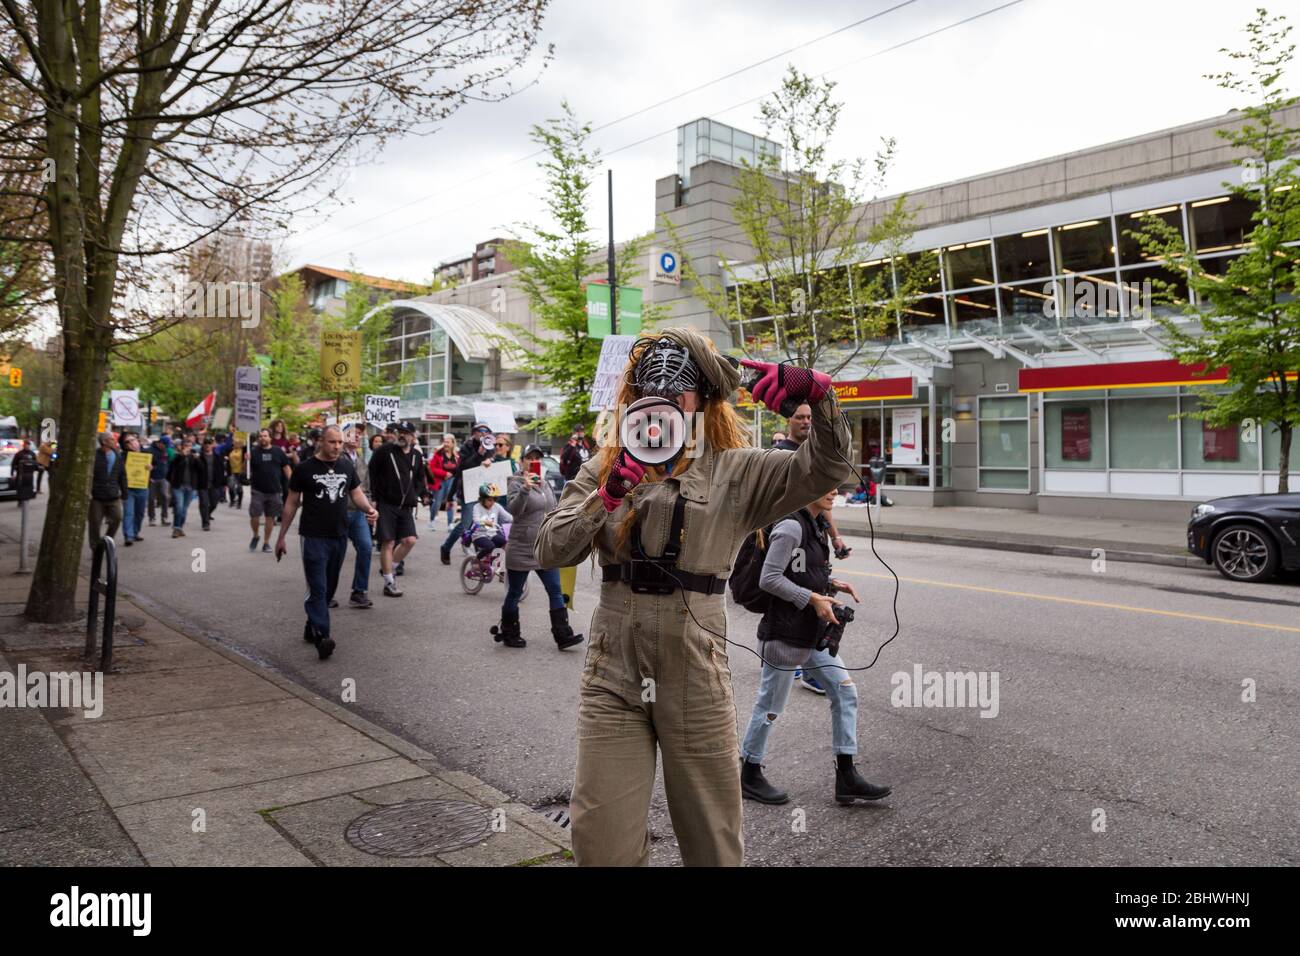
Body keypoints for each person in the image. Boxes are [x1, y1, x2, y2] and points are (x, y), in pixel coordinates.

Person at [535, 328, 851, 866]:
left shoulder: (737, 468)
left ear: (702, 399)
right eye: (645, 390)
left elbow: (826, 469)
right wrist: (609, 493)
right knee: (600, 841)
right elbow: (549, 549)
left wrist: (822, 398)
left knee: (712, 842)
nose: (659, 402)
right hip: (615, 672)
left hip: (695, 672)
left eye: (676, 390)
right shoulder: (605, 464)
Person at [738, 487, 891, 807]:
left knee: (845, 692)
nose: (834, 490)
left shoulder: (816, 524)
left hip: (812, 634)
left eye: (836, 484)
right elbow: (769, 579)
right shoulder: (792, 526)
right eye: (825, 483)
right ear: (807, 484)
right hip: (784, 636)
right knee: (770, 708)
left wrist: (831, 584)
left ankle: (847, 776)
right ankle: (749, 774)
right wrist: (812, 598)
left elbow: (801, 572)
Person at [276, 425, 378, 660]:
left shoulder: (345, 465)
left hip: (339, 535)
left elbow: (356, 493)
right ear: (321, 441)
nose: (337, 447)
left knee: (328, 588)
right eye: (332, 442)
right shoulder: (304, 469)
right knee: (318, 587)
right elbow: (292, 503)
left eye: (340, 443)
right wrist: (281, 536)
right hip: (313, 536)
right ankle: (323, 636)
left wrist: (369, 509)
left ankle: (312, 625)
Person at [773, 402, 852, 696]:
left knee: (813, 592)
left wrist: (835, 537)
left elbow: (823, 499)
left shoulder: (816, 454)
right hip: (789, 532)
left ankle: (807, 666)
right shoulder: (780, 455)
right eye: (800, 417)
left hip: (813, 535)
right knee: (792, 593)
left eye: (809, 417)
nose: (806, 422)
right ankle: (791, 658)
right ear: (789, 420)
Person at [491, 445, 583, 651]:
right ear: (522, 461)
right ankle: (509, 632)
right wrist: (525, 488)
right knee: (514, 592)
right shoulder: (515, 482)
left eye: (537, 458)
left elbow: (552, 508)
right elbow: (514, 510)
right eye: (529, 458)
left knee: (555, 590)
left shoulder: (544, 482)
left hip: (544, 547)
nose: (534, 461)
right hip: (521, 547)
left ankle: (563, 635)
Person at [368, 420, 428, 597]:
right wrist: (374, 498)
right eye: (399, 431)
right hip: (387, 503)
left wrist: (419, 494)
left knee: (410, 540)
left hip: (406, 506)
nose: (401, 435)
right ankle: (389, 582)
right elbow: (372, 472)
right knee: (388, 542)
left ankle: (389, 569)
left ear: (412, 436)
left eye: (405, 432)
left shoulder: (416, 455)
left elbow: (420, 478)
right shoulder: (384, 451)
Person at [440, 423, 496, 565]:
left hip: (485, 492)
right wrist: (480, 455)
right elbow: (463, 468)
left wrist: (491, 461)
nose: (483, 434)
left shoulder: (491, 447)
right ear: (474, 433)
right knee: (466, 524)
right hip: (469, 491)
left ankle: (479, 555)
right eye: (480, 431)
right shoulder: (467, 447)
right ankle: (446, 547)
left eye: (486, 431)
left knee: (482, 523)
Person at [340, 426, 374, 608]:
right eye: (353, 433)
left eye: (359, 434)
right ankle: (327, 592)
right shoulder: (337, 457)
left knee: (366, 547)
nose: (357, 437)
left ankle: (359, 591)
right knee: (336, 553)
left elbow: (366, 487)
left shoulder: (361, 461)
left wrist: (369, 507)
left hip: (358, 513)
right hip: (340, 512)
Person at [247, 428, 292, 552]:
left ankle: (266, 543)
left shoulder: (278, 451)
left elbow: (286, 468)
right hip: (257, 490)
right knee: (255, 516)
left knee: (270, 518)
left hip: (274, 490)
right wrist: (246, 461)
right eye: (260, 436)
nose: (263, 438)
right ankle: (256, 535)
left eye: (265, 436)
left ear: (270, 438)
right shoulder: (253, 452)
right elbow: (244, 470)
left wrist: (293, 483)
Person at [88, 431, 127, 547]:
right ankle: (95, 547)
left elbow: (122, 475)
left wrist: (124, 493)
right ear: (104, 442)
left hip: (113, 495)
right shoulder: (94, 456)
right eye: (112, 439)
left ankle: (106, 542)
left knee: (117, 518)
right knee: (95, 523)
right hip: (97, 497)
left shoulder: (118, 456)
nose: (115, 441)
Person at [167, 437, 207, 538]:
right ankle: (176, 528)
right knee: (179, 507)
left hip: (190, 486)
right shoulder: (177, 456)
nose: (187, 448)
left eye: (189, 446)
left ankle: (180, 527)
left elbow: (202, 469)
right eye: (185, 446)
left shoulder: (194, 457)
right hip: (178, 486)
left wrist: (197, 459)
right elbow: (173, 466)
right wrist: (181, 456)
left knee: (184, 509)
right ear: (181, 447)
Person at [120, 434, 149, 546]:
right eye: (128, 442)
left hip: (142, 487)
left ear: (137, 440)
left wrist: (151, 468)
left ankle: (135, 532)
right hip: (129, 489)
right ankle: (128, 535)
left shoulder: (147, 453)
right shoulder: (123, 456)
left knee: (140, 513)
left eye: (132, 440)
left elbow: (158, 466)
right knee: (128, 513)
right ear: (125, 446)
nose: (131, 443)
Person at [426, 434, 458, 531]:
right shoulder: (438, 454)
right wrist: (444, 473)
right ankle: (432, 520)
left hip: (452, 481)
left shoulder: (457, 455)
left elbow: (459, 467)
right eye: (444, 442)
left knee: (451, 501)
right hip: (440, 481)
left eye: (448, 442)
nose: (446, 444)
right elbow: (432, 468)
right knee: (437, 502)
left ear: (453, 444)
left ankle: (450, 524)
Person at [471, 483, 511, 558]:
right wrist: (485, 522)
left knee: (506, 543)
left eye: (494, 500)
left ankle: (493, 560)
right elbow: (476, 520)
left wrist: (518, 521)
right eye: (489, 500)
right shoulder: (477, 507)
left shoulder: (496, 506)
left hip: (492, 534)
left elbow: (508, 517)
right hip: (479, 535)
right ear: (482, 499)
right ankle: (477, 559)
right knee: (490, 546)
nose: (492, 502)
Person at [197, 435, 227, 531]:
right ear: (203, 445)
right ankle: (205, 523)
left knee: (214, 503)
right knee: (204, 504)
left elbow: (222, 471)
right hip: (203, 484)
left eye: (209, 443)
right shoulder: (199, 457)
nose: (207, 445)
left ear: (213, 445)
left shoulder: (218, 457)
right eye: (206, 443)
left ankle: (207, 514)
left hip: (215, 484)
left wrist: (223, 483)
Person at [146, 435, 171, 526]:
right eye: (165, 445)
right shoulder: (149, 450)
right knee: (151, 499)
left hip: (163, 478)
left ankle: (164, 517)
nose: (167, 447)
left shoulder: (165, 451)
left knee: (165, 496)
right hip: (152, 478)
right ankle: (151, 518)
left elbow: (166, 463)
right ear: (160, 443)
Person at [226, 439, 245, 509]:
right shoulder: (230, 450)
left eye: (237, 442)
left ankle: (239, 503)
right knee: (230, 486)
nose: (235, 443)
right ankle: (232, 501)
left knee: (239, 488)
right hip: (232, 471)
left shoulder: (243, 450)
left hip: (240, 471)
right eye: (234, 442)